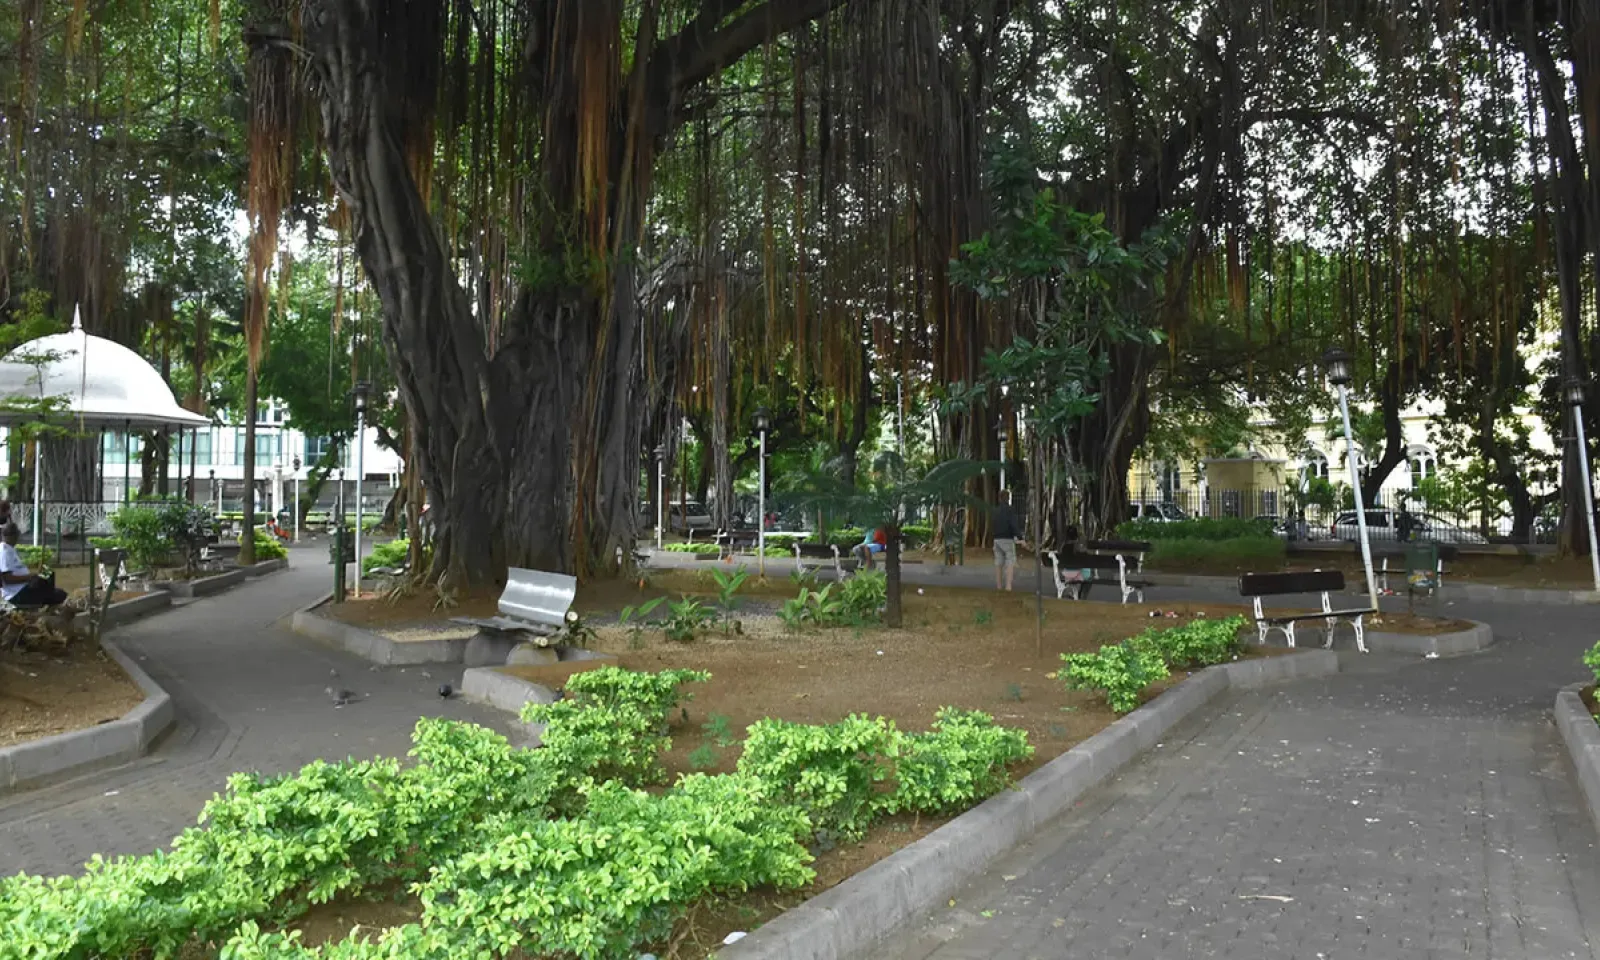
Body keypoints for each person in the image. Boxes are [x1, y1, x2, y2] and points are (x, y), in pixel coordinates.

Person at [0, 523, 67, 607]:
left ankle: (50, 597)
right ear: (13, 536)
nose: (18, 537)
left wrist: (32, 577)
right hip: (16, 594)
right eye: (17, 534)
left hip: (23, 588)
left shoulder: (10, 548)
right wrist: (29, 577)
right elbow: (7, 579)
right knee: (56, 592)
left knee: (49, 579)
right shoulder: (5, 551)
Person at [992, 491, 1023, 591]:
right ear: (1008, 498)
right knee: (1010, 561)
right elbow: (1013, 524)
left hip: (997, 539)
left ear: (999, 498)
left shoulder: (995, 510)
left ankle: (999, 585)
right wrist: (1020, 538)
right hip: (1007, 538)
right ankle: (1008, 586)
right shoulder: (1010, 510)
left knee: (998, 562)